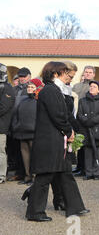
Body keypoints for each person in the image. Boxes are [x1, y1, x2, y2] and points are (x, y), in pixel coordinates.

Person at [25, 61, 89, 222]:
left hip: (55, 138)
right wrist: (69, 131)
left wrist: (72, 130)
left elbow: (64, 113)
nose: (69, 78)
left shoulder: (55, 90)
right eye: (65, 74)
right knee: (45, 175)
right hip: (49, 140)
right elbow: (58, 115)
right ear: (55, 74)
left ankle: (73, 206)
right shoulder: (50, 91)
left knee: (64, 172)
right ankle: (35, 211)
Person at [72, 65, 99, 177]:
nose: (88, 74)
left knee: (90, 146)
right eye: (86, 72)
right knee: (80, 145)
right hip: (79, 119)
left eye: (90, 72)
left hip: (92, 121)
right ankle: (80, 167)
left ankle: (88, 169)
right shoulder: (76, 86)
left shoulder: (98, 86)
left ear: (94, 74)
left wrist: (91, 120)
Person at [10, 79, 43, 185]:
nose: (29, 89)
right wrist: (16, 126)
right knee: (25, 156)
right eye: (28, 87)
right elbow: (16, 114)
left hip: (34, 133)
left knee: (35, 156)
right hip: (22, 132)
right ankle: (28, 176)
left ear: (37, 88)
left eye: (32, 87)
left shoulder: (40, 101)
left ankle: (35, 177)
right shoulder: (22, 100)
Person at [77, 80, 99, 181]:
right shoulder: (82, 100)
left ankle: (96, 173)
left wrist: (92, 121)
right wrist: (86, 121)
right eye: (91, 86)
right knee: (88, 153)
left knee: (97, 152)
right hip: (86, 129)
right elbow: (79, 114)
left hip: (98, 130)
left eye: (94, 86)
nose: (91, 88)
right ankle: (88, 172)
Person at [0, 63, 15, 184]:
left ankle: (1, 175)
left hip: (1, 126)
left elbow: (4, 107)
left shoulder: (8, 87)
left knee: (0, 151)